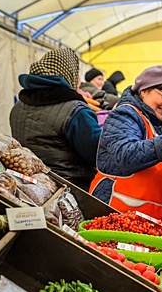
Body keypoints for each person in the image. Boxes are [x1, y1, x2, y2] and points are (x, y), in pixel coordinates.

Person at [89, 65, 162, 221]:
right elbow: (125, 154)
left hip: (151, 219)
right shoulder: (125, 115)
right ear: (144, 91)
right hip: (116, 213)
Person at [9, 48, 100, 191]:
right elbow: (97, 154)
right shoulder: (76, 111)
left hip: (30, 187)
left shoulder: (18, 107)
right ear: (69, 74)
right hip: (73, 190)